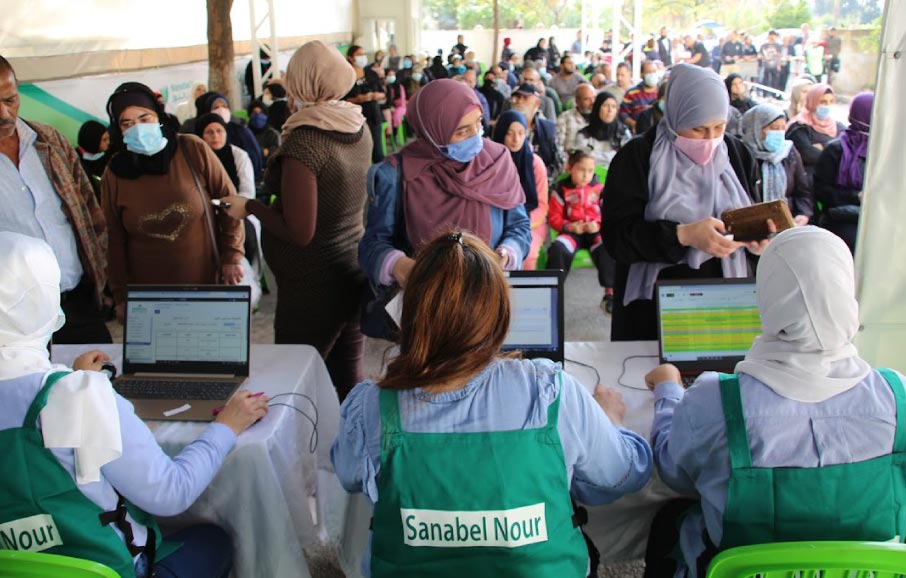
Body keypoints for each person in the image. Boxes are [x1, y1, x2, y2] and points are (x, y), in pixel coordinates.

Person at [333, 230, 653, 578]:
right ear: (500, 313)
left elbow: (349, 474)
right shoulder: (550, 391)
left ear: (411, 312)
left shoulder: (371, 405)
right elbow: (625, 474)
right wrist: (609, 422)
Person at [0, 231, 267, 578]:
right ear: (47, 301)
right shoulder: (77, 395)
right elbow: (171, 492)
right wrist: (226, 427)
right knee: (214, 538)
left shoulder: (73, 391)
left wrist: (76, 381)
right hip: (110, 568)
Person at [643, 226, 904, 578]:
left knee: (671, 520)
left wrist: (669, 390)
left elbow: (673, 471)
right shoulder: (897, 397)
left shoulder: (716, 401)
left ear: (767, 297)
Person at [221, 41, 372, 400]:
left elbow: (300, 232)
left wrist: (250, 207)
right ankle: (353, 448)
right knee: (347, 375)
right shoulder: (357, 125)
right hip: (351, 267)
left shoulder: (305, 142)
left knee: (293, 385)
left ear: (303, 84)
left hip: (312, 285)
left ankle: (302, 455)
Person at [602, 64, 766, 342]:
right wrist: (683, 235)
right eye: (699, 129)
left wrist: (758, 241)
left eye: (719, 127)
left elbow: (753, 213)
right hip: (654, 309)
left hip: (727, 304)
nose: (710, 139)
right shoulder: (638, 157)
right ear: (675, 115)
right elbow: (617, 238)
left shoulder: (738, 155)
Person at [358, 79, 531, 316]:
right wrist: (401, 266)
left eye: (478, 123)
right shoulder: (397, 175)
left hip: (487, 303)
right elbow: (371, 246)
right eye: (462, 131)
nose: (476, 137)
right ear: (432, 130)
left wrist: (506, 254)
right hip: (427, 310)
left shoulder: (497, 161)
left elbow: (519, 226)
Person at [101, 82, 245, 320]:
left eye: (144, 118)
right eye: (127, 123)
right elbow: (113, 239)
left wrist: (231, 256)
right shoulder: (115, 173)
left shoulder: (191, 149)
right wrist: (120, 295)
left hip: (205, 284)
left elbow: (228, 202)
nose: (137, 128)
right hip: (149, 298)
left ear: (158, 116)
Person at [0, 55, 111, 345]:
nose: (4, 114)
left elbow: (90, 210)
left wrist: (102, 277)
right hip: (15, 324)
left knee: (99, 384)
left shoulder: (49, 140)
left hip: (79, 301)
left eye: (10, 100)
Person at [548, 150, 616, 311]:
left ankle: (611, 293)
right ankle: (553, 293)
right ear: (570, 168)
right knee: (557, 249)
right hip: (572, 232)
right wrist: (569, 226)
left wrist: (598, 224)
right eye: (581, 170)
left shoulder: (600, 190)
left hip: (595, 232)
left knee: (609, 248)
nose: (586, 175)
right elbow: (553, 217)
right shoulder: (561, 190)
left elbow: (610, 213)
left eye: (590, 171)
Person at [814, 92, 873, 253]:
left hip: (874, 220)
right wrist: (856, 196)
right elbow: (822, 191)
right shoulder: (836, 150)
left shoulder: (882, 152)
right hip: (842, 219)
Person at [493, 110, 549, 269]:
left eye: (521, 133)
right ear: (500, 133)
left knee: (527, 254)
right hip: (497, 219)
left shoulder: (535, 163)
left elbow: (542, 204)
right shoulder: (491, 162)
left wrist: (520, 225)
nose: (516, 139)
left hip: (530, 222)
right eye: (509, 133)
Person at [741, 104, 813, 226]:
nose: (779, 133)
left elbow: (802, 192)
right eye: (773, 128)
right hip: (752, 225)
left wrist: (803, 214)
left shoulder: (789, 152)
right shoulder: (741, 155)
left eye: (782, 128)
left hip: (788, 222)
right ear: (755, 129)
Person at [188, 92, 264, 182]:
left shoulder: (240, 132)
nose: (215, 136)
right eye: (216, 107)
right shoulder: (197, 140)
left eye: (224, 106)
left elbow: (254, 159)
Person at [786, 83, 845, 182]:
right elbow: (808, 155)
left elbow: (845, 154)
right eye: (823, 102)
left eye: (830, 102)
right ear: (812, 102)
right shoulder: (799, 126)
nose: (827, 106)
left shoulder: (838, 126)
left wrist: (823, 146)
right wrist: (833, 148)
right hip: (807, 182)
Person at [510, 83, 561, 184]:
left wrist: (540, 181)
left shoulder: (548, 129)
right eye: (518, 97)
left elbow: (557, 164)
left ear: (537, 103)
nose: (519, 101)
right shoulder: (504, 126)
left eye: (525, 98)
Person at [344, 45, 386, 164]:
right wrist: (357, 99)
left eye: (364, 54)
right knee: (360, 153)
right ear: (350, 58)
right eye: (359, 55)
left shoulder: (371, 73)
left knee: (377, 151)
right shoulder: (346, 76)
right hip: (354, 118)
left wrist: (375, 95)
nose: (363, 57)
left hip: (373, 115)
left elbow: (383, 94)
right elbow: (342, 100)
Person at [574, 92, 631, 170]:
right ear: (597, 108)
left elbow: (627, 157)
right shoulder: (584, 134)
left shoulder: (623, 132)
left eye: (613, 107)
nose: (610, 110)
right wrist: (614, 155)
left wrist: (594, 154)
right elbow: (582, 158)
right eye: (605, 106)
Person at [619, 61, 660, 133]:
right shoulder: (631, 93)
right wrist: (634, 124)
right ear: (642, 74)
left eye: (654, 71)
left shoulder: (662, 92)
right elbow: (622, 113)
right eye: (649, 72)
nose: (652, 75)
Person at [556, 83, 595, 156]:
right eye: (587, 99)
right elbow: (558, 146)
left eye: (594, 98)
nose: (592, 102)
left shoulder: (601, 117)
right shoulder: (565, 118)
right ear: (577, 101)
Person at [77, 120, 110, 197]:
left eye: (108, 138)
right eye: (104, 140)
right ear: (93, 142)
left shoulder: (108, 157)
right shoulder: (76, 160)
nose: (108, 142)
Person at [246, 98, 281, 163]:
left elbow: (277, 152)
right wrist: (264, 152)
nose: (258, 115)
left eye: (261, 112)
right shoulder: (245, 133)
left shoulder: (272, 134)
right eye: (254, 112)